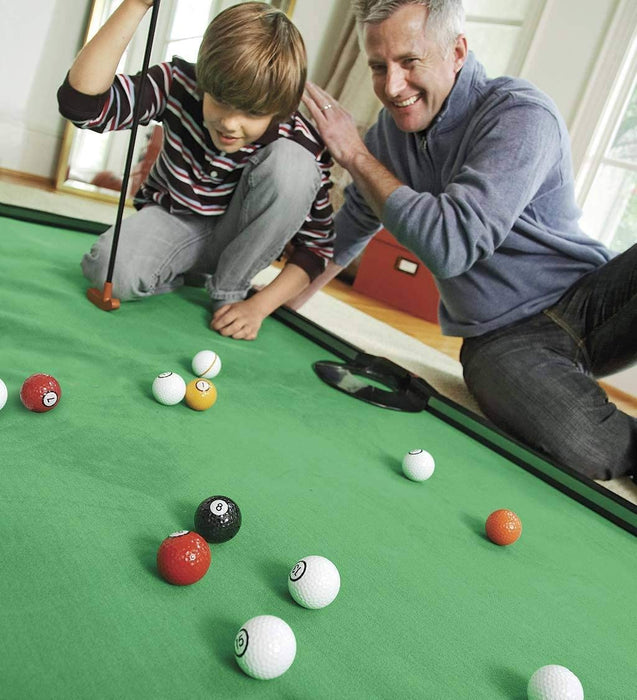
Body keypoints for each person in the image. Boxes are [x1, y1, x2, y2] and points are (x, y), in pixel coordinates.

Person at [299, 0, 637, 481]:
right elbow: (348, 230)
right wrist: (278, 306)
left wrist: (352, 152)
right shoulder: (389, 140)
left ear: (457, 51)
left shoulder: (521, 115)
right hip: (499, 339)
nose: (392, 87)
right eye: (379, 66)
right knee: (593, 447)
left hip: (587, 301)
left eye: (409, 62)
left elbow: (451, 244)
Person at [57, 0, 334, 340]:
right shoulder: (177, 83)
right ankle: (184, 273)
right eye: (221, 101)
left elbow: (316, 249)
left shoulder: (300, 138)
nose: (231, 124)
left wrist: (258, 306)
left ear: (279, 109)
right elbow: (82, 106)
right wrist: (135, 5)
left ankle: (227, 289)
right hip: (174, 220)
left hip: (243, 240)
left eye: (251, 113)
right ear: (204, 81)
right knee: (108, 270)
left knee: (295, 166)